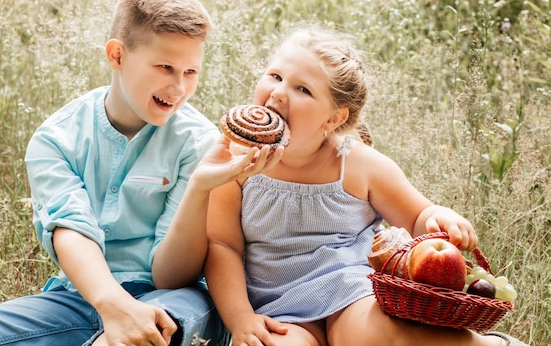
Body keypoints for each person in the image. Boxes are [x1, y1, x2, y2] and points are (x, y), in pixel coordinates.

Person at [0, 0, 283, 346]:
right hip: (79, 296)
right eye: (164, 67)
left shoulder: (198, 142)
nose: (179, 88)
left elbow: (171, 276)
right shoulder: (56, 138)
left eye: (190, 72)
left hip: (174, 302)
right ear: (117, 55)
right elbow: (71, 229)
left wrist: (199, 187)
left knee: (129, 340)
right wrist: (112, 305)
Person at [204, 26, 529, 346]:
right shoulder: (236, 164)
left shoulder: (358, 164)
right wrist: (241, 319)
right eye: (275, 76)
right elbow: (223, 247)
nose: (277, 93)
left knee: (378, 336)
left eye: (303, 90)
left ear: (333, 119)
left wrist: (437, 215)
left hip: (352, 293)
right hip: (279, 307)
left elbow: (416, 216)